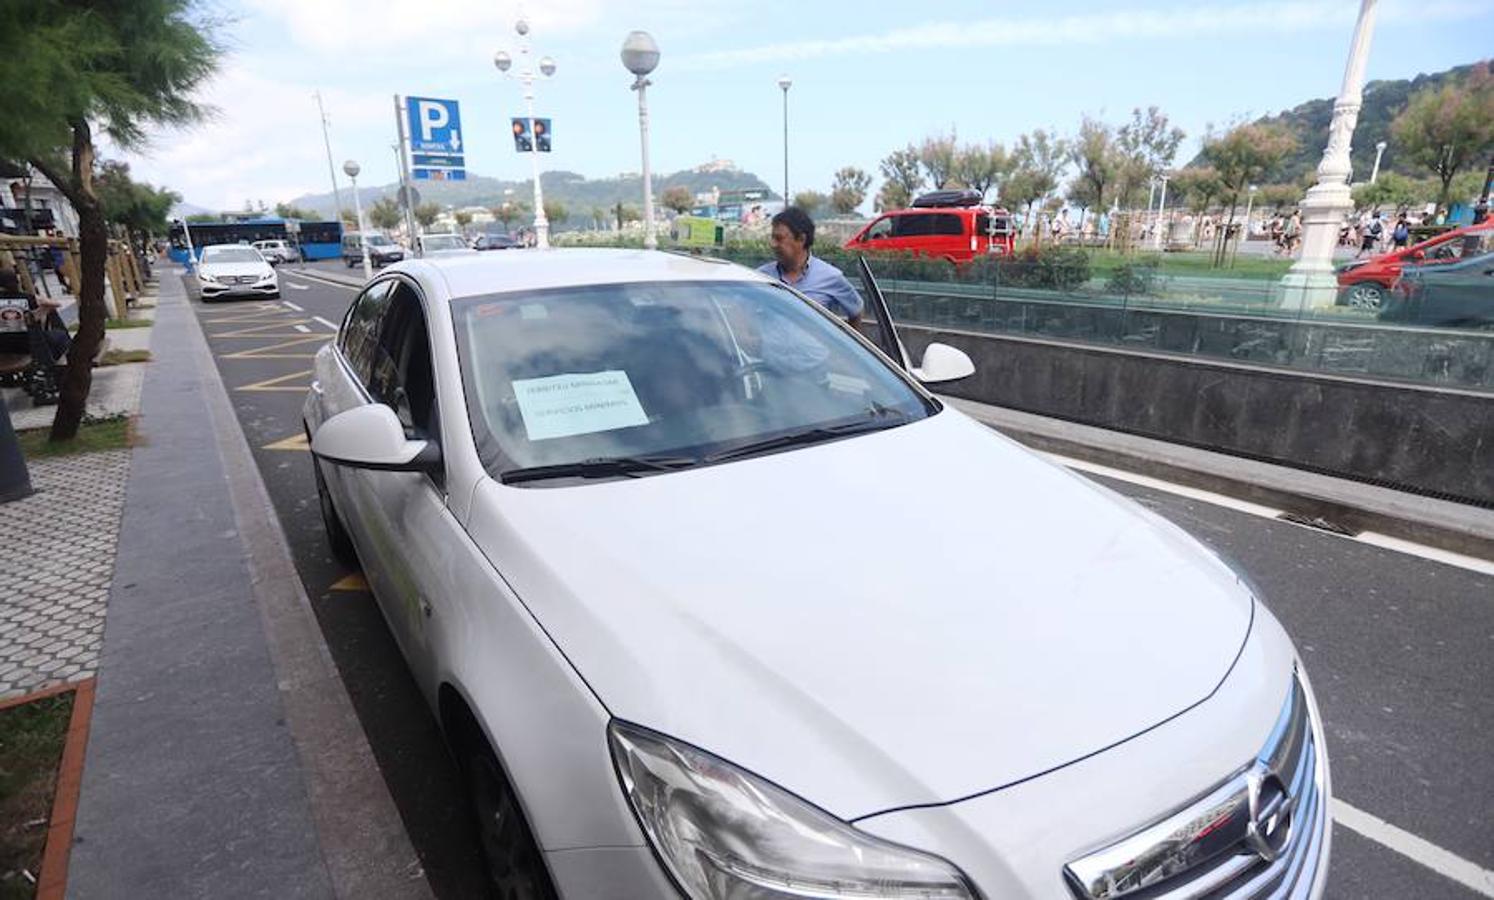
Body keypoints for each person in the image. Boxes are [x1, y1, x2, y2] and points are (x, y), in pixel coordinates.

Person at [757, 207, 863, 324]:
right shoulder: (761, 277)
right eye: (772, 237)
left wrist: (844, 341)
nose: (773, 244)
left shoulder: (831, 277)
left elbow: (856, 311)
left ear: (801, 239)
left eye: (779, 238)